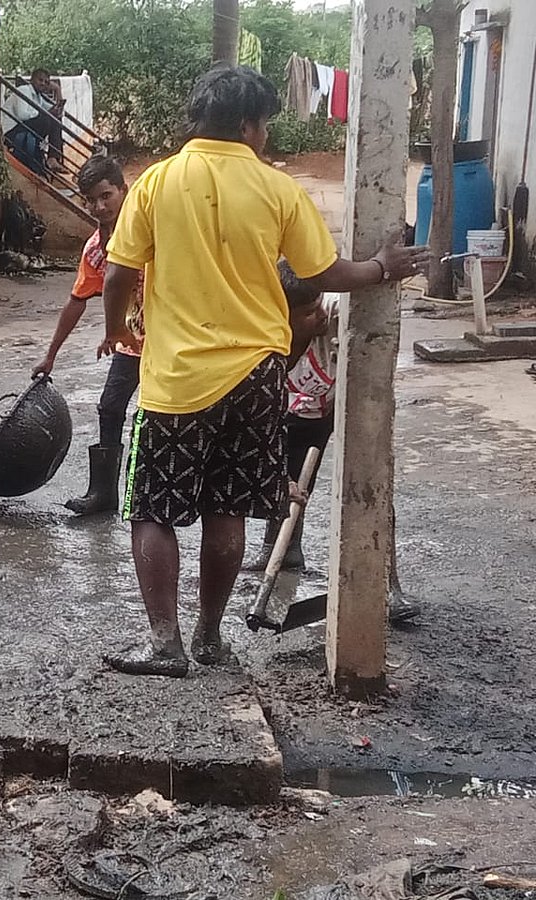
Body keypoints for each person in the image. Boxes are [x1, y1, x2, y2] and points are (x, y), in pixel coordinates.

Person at [98, 65, 430, 677]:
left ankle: (165, 644)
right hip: (257, 375)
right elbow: (325, 274)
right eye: (266, 124)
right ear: (249, 125)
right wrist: (383, 267)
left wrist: (117, 330)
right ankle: (209, 637)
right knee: (227, 509)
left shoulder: (156, 182)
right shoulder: (278, 189)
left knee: (151, 510)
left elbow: (118, 273)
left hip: (176, 379)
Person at [247, 262, 421, 624]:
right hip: (299, 407)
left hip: (349, 398)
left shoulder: (339, 312)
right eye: (307, 314)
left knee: (368, 483)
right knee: (288, 474)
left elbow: (372, 339)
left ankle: (387, 584)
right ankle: (281, 549)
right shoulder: (258, 329)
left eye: (317, 307)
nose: (320, 316)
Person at [32, 155, 143, 515]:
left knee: (155, 418)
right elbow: (77, 301)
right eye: (91, 200)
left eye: (106, 196)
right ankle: (103, 494)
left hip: (172, 340)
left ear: (123, 190)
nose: (99, 207)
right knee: (109, 407)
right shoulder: (96, 250)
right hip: (131, 339)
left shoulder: (151, 231)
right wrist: (50, 356)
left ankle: (146, 496)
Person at [3, 68, 65, 176]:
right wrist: (44, 113)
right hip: (11, 131)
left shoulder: (38, 96)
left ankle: (53, 157)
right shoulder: (24, 90)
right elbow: (22, 115)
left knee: (55, 119)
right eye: (40, 80)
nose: (43, 84)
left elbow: (58, 112)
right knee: (47, 118)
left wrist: (57, 90)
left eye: (46, 82)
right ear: (32, 80)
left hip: (24, 127)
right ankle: (44, 153)